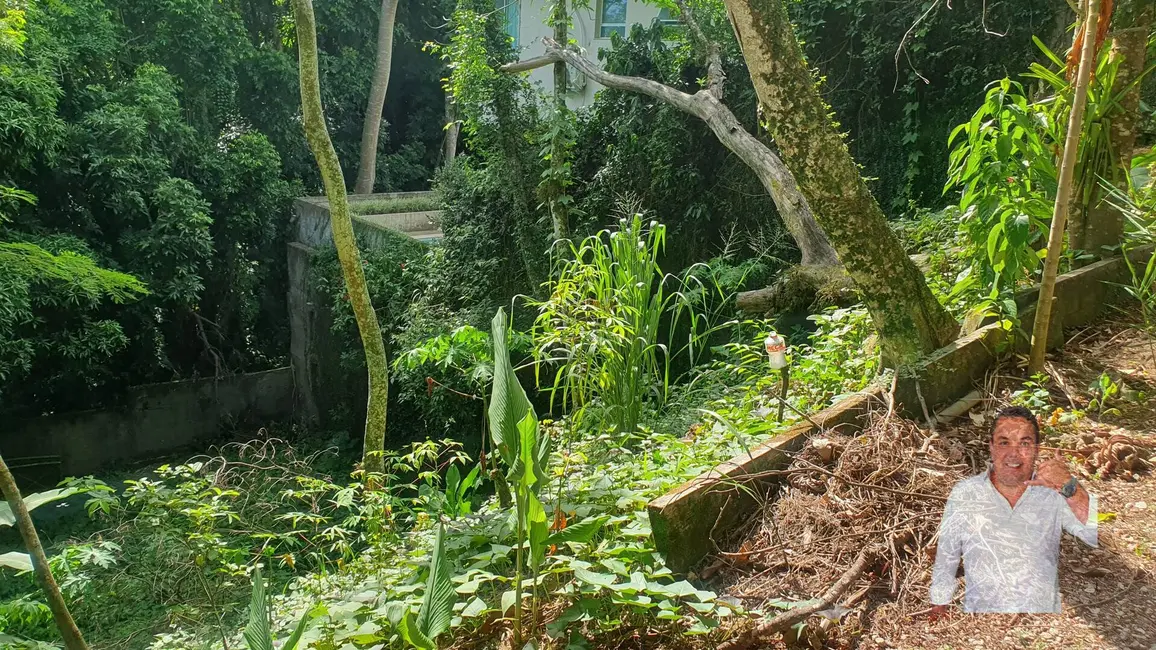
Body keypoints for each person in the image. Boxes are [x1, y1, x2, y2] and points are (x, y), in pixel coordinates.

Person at [929, 406, 1098, 616]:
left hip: (1042, 617)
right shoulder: (966, 492)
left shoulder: (1053, 493)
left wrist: (1069, 484)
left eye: (1024, 443)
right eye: (1004, 442)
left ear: (1037, 448)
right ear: (991, 447)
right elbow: (947, 552)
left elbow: (1091, 532)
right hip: (978, 615)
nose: (1013, 453)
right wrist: (939, 601)